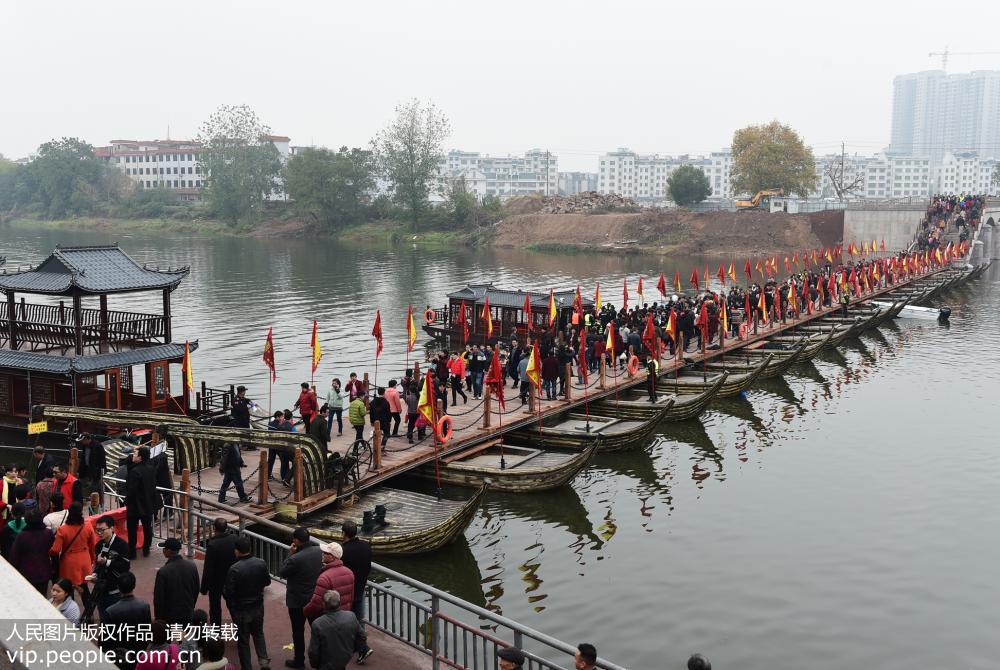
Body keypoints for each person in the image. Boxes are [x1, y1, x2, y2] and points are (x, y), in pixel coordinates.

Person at [224, 535, 271, 670]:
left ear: (237, 551)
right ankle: (263, 661)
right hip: (257, 606)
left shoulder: (234, 569)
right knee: (258, 633)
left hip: (242, 610)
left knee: (243, 641)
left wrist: (233, 610)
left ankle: (247, 667)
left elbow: (229, 593)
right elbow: (267, 582)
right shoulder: (260, 563)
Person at [279, 527, 323, 669]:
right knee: (317, 630)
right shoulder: (318, 551)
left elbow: (283, 572)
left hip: (297, 600)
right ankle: (321, 658)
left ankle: (299, 661)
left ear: (296, 541)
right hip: (314, 598)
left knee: (298, 632)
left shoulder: (295, 558)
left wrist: (290, 554)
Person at [85, 514, 131, 621]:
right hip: (101, 590)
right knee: (104, 620)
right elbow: (97, 565)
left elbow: (125, 567)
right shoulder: (99, 545)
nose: (99, 533)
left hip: (116, 592)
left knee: (117, 622)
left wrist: (107, 562)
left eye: (102, 530)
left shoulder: (121, 545)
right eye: (97, 530)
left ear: (112, 528)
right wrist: (95, 575)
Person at [339, 521, 373, 664]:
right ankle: (360, 647)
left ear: (343, 533)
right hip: (361, 587)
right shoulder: (366, 546)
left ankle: (362, 647)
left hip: (347, 591)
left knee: (348, 620)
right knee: (358, 619)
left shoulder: (343, 550)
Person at [49, 502, 96, 605]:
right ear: (81, 513)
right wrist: (92, 560)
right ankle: (89, 614)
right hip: (84, 560)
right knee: (84, 588)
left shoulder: (63, 529)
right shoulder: (88, 526)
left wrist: (48, 551)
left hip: (69, 563)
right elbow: (93, 546)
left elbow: (55, 550)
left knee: (68, 589)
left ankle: (71, 613)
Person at [307, 590, 366, 670]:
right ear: (339, 602)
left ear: (324, 604)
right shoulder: (351, 616)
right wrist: (351, 650)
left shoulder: (318, 624)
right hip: (344, 658)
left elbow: (313, 651)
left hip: (325, 664)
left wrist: (315, 664)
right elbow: (362, 636)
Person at [104, 572, 152, 670]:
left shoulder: (111, 611)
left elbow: (106, 639)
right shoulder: (144, 606)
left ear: (118, 587)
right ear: (134, 585)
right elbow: (147, 631)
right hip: (139, 652)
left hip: (120, 655)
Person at [200, 518, 238, 627]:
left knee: (215, 607)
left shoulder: (213, 545)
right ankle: (240, 629)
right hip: (232, 579)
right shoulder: (234, 538)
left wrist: (204, 588)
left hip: (216, 581)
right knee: (233, 606)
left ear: (214, 528)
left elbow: (208, 569)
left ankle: (216, 632)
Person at [303, 542, 354, 622]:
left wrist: (305, 612)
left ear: (332, 557)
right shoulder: (349, 572)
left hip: (327, 619)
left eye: (325, 553)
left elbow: (316, 603)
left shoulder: (324, 578)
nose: (322, 554)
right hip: (344, 617)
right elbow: (350, 598)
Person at [153, 537, 199, 625]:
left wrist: (158, 619)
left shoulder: (163, 572)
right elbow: (196, 589)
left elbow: (159, 599)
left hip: (170, 617)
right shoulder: (192, 567)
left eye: (165, 548)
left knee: (173, 637)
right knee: (184, 637)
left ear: (169, 551)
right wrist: (191, 606)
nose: (163, 550)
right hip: (187, 613)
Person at [10, 508, 54, 595]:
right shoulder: (48, 533)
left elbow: (14, 557)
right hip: (44, 572)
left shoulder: (22, 536)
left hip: (26, 573)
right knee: (42, 596)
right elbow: (54, 552)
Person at [125, 446, 158, 558]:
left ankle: (132, 552)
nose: (132, 456)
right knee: (147, 527)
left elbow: (131, 490)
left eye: (135, 454)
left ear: (140, 457)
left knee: (132, 529)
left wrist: (127, 501)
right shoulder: (151, 468)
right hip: (148, 502)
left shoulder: (135, 471)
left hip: (135, 504)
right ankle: (146, 549)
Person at [267, 411, 292, 482]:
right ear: (277, 417)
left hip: (272, 445)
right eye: (281, 417)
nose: (282, 418)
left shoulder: (271, 423)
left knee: (271, 460)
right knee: (283, 461)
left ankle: (268, 475)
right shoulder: (278, 424)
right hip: (277, 446)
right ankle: (285, 476)